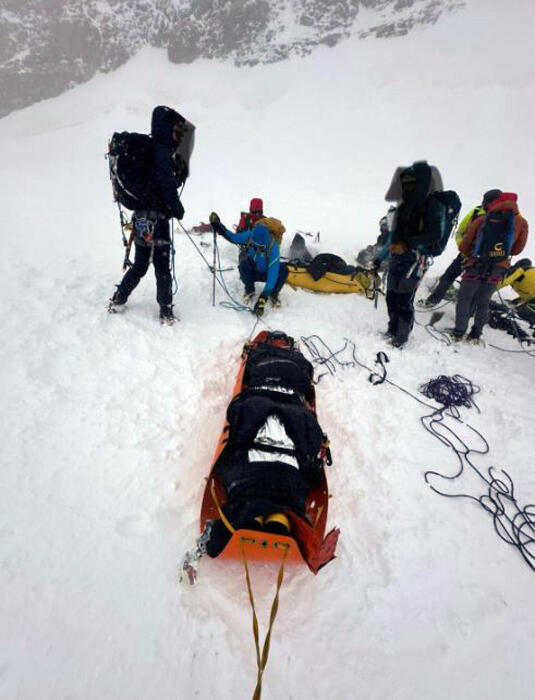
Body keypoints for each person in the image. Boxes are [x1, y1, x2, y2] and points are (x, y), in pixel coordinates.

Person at [108, 106, 187, 324]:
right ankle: (165, 311)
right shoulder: (160, 150)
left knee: (141, 263)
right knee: (162, 266)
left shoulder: (150, 148)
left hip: (141, 217)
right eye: (176, 129)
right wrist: (177, 209)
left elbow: (158, 183)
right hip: (158, 220)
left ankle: (119, 298)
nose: (177, 133)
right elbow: (167, 185)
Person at [375, 160, 444, 347]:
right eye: (405, 184)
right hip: (397, 258)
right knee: (391, 296)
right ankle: (393, 328)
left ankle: (402, 336)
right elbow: (392, 237)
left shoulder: (432, 205)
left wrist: (408, 243)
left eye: (411, 183)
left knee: (404, 298)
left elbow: (435, 235)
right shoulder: (404, 206)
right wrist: (379, 258)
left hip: (415, 259)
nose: (407, 187)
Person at [450, 192, 528, 343]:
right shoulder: (522, 223)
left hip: (475, 263)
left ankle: (458, 333)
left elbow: (464, 245)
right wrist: (500, 252)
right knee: (483, 301)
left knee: (465, 299)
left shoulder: (483, 218)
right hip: (498, 269)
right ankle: (475, 334)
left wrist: (471, 252)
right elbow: (517, 250)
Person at [420, 189, 502, 307]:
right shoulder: (477, 211)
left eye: (487, 201)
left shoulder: (506, 217)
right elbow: (460, 232)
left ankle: (468, 313)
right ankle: (433, 300)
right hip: (469, 255)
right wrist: (464, 249)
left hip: (486, 260)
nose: (484, 203)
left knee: (475, 286)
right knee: (448, 276)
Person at [209, 212, 288, 316]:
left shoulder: (274, 249)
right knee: (243, 265)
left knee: (283, 270)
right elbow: (233, 237)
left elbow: (273, 275)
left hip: (267, 273)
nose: (257, 248)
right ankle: (249, 289)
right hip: (254, 270)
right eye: (255, 246)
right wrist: (220, 227)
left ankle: (273, 294)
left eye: (260, 247)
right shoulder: (250, 235)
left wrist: (262, 299)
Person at [494, 258, 535, 326]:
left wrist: (487, 291)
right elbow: (529, 294)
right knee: (523, 314)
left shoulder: (520, 270)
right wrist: (515, 302)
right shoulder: (530, 273)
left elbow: (505, 282)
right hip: (532, 299)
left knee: (519, 315)